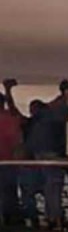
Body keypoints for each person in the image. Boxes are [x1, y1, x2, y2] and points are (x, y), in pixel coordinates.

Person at [0, 79, 24, 224]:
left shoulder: (9, 118)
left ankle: (8, 217)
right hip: (9, 160)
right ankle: (11, 217)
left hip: (8, 160)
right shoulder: (10, 118)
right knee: (9, 190)